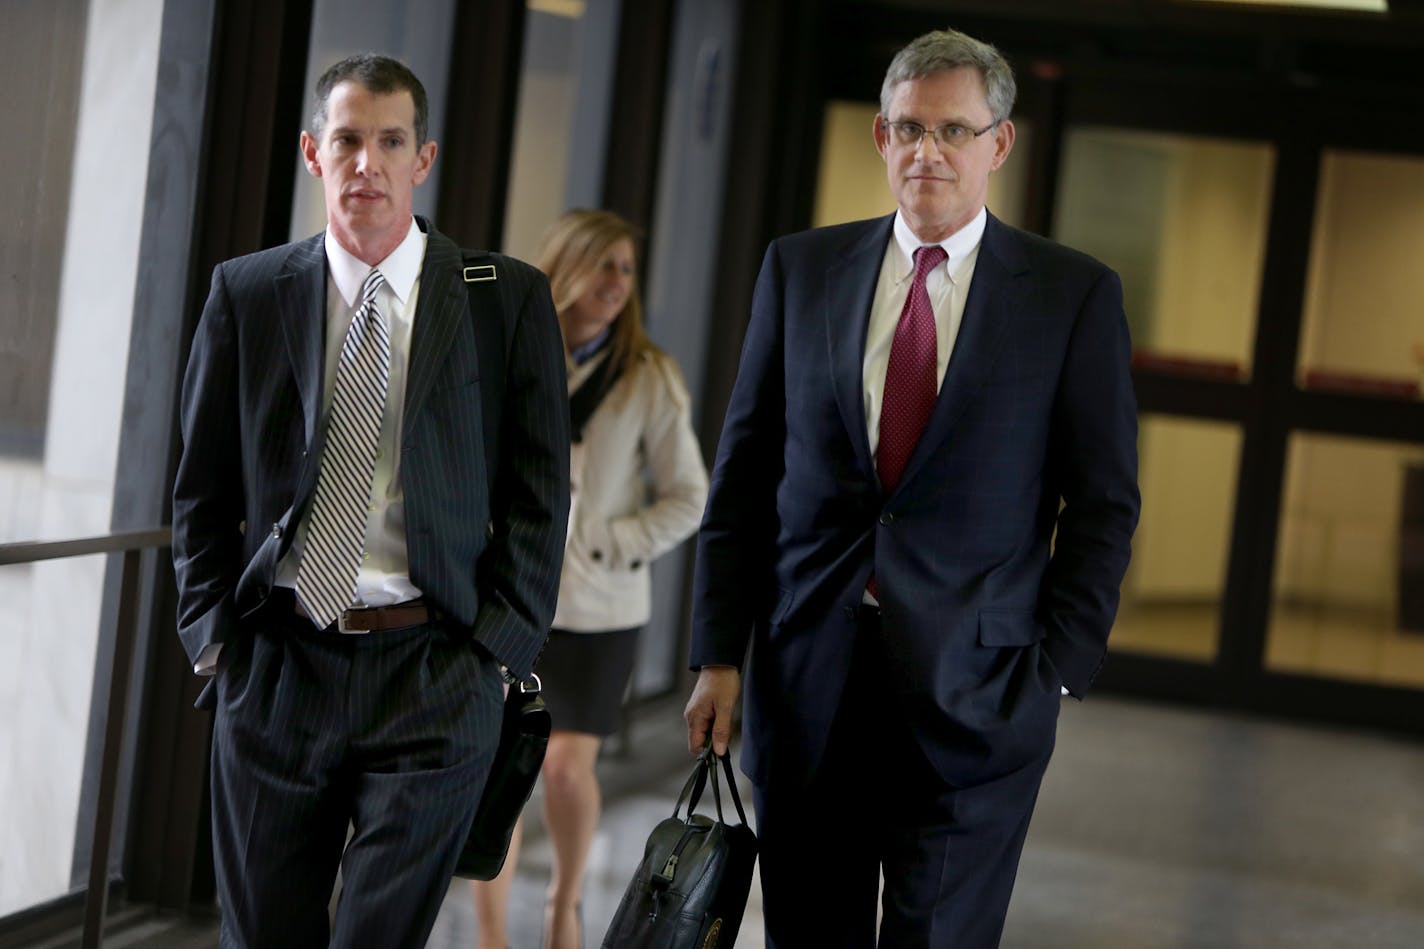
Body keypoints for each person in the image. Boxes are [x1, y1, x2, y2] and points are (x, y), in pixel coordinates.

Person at [684, 27, 1141, 948]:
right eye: (908, 128)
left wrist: (1054, 672)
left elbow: (1102, 503)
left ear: (999, 143)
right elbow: (744, 476)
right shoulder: (800, 270)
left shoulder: (1070, 296)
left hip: (980, 697)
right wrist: (719, 652)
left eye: (954, 131)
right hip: (808, 684)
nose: (928, 151)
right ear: (881, 139)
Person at [171, 54, 569, 948]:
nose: (368, 164)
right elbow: (201, 489)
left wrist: (494, 656)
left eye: (391, 142)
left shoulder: (503, 300)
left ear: (423, 160)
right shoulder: (247, 292)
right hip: (277, 665)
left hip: (435, 670)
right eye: (348, 140)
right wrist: (213, 646)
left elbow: (542, 496)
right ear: (314, 152)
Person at [470, 209, 709, 949]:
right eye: (602, 265)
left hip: (600, 610)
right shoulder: (511, 352)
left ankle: (562, 908)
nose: (615, 284)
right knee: (496, 771)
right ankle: (487, 932)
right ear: (564, 265)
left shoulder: (647, 375)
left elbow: (688, 497)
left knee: (568, 772)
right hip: (508, 597)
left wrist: (609, 541)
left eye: (626, 270)